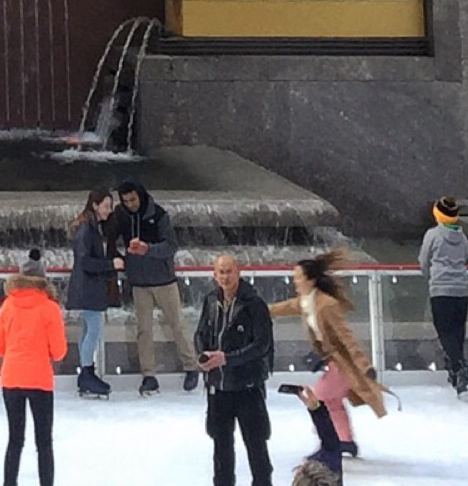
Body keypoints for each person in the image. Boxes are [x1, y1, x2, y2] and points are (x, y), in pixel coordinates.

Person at [269, 251, 386, 474]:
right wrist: (260, 310)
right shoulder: (307, 301)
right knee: (331, 402)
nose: (295, 281)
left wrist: (364, 365)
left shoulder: (326, 304)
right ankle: (344, 440)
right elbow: (284, 307)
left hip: (344, 363)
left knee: (319, 398)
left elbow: (346, 337)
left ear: (310, 280)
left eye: (298, 277)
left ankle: (329, 444)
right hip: (333, 362)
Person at [109, 180, 198, 395]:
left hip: (164, 280)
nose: (130, 204)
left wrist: (148, 249)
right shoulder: (121, 214)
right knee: (144, 330)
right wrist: (118, 257)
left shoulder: (158, 215)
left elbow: (171, 245)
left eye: (132, 199)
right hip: (139, 282)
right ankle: (148, 375)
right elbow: (110, 238)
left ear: (140, 195)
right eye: (125, 200)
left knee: (177, 323)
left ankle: (192, 366)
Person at [194, 251, 274, 486]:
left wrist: (227, 358)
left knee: (256, 445)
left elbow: (261, 345)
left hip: (247, 387)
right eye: (221, 272)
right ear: (214, 275)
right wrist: (203, 355)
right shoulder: (210, 301)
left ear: (239, 273)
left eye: (229, 271)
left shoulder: (254, 305)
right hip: (218, 388)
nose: (225, 277)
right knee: (221, 448)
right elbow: (200, 333)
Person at [0, 248, 67, 486]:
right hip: (40, 380)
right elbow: (59, 352)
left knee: (15, 440)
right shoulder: (50, 308)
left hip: (11, 378)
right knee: (44, 442)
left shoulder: (7, 307)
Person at [65, 188, 117, 398]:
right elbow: (85, 261)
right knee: (93, 329)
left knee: (88, 329)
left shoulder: (91, 227)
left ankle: (86, 372)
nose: (109, 211)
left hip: (88, 288)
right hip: (88, 288)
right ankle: (86, 371)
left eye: (110, 207)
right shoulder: (87, 230)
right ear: (95, 205)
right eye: (106, 206)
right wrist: (110, 263)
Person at [416, 196, 468, 392]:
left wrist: (430, 276)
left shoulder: (433, 235)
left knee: (444, 330)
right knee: (458, 331)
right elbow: (465, 257)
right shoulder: (463, 237)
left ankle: (459, 367)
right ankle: (456, 371)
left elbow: (424, 260)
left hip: (440, 288)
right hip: (461, 289)